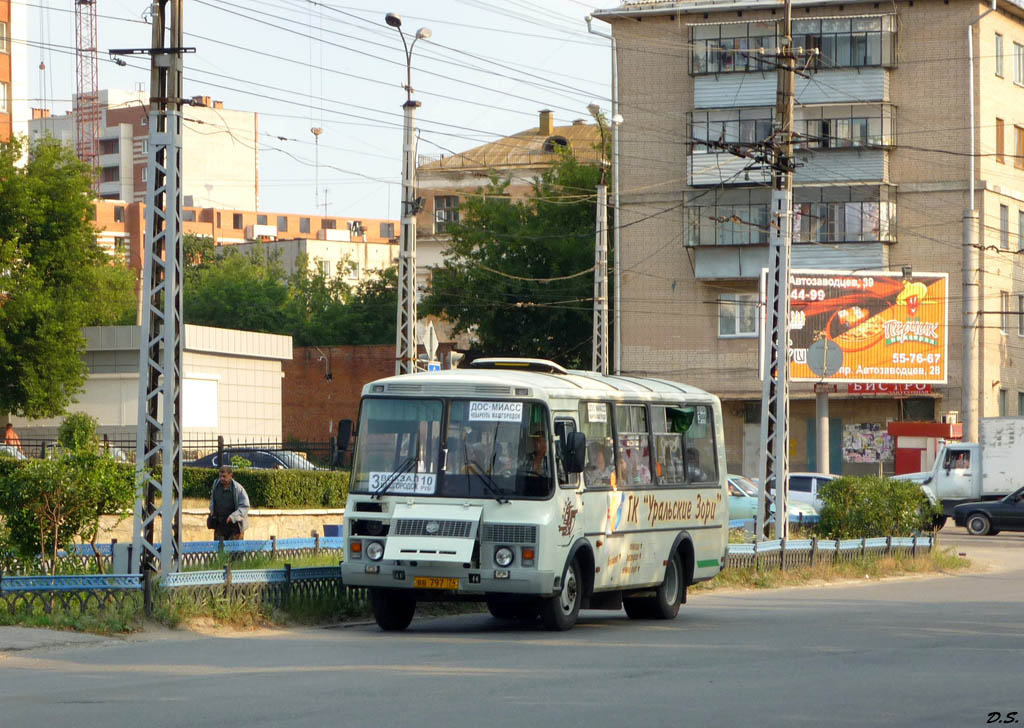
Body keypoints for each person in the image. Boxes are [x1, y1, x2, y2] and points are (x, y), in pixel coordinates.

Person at [208, 465, 250, 541]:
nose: (221, 479)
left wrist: (232, 517)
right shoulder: (216, 484)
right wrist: (212, 510)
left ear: (231, 475)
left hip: (235, 526)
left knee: (234, 551)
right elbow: (212, 499)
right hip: (220, 525)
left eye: (224, 476)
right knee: (220, 550)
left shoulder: (238, 489)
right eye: (220, 476)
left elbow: (245, 506)